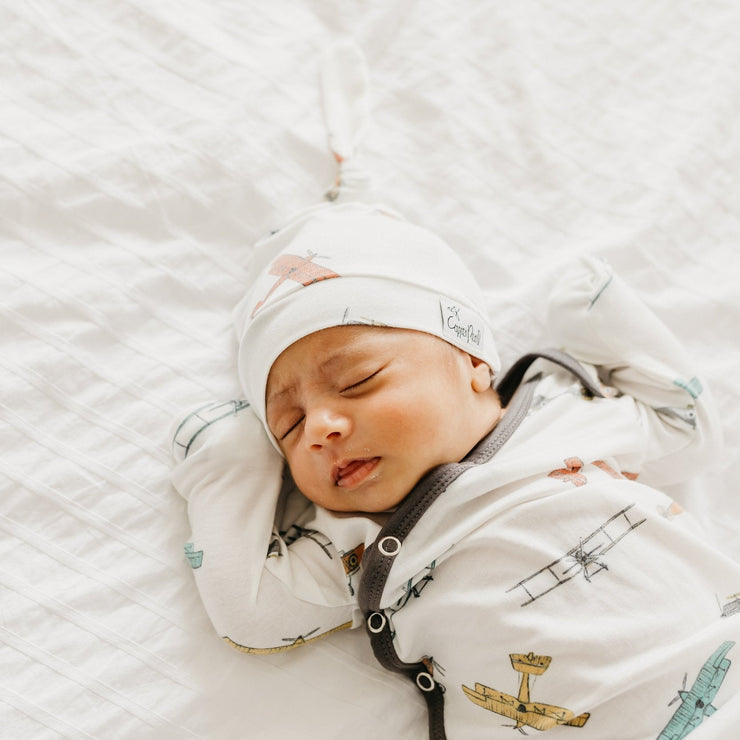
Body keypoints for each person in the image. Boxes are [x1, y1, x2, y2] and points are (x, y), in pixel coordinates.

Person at [170, 201, 740, 740]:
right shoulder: (359, 544)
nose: (319, 427)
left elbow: (686, 429)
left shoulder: (565, 412)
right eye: (288, 427)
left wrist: (606, 320)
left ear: (472, 360)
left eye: (357, 381)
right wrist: (229, 461)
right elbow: (253, 615)